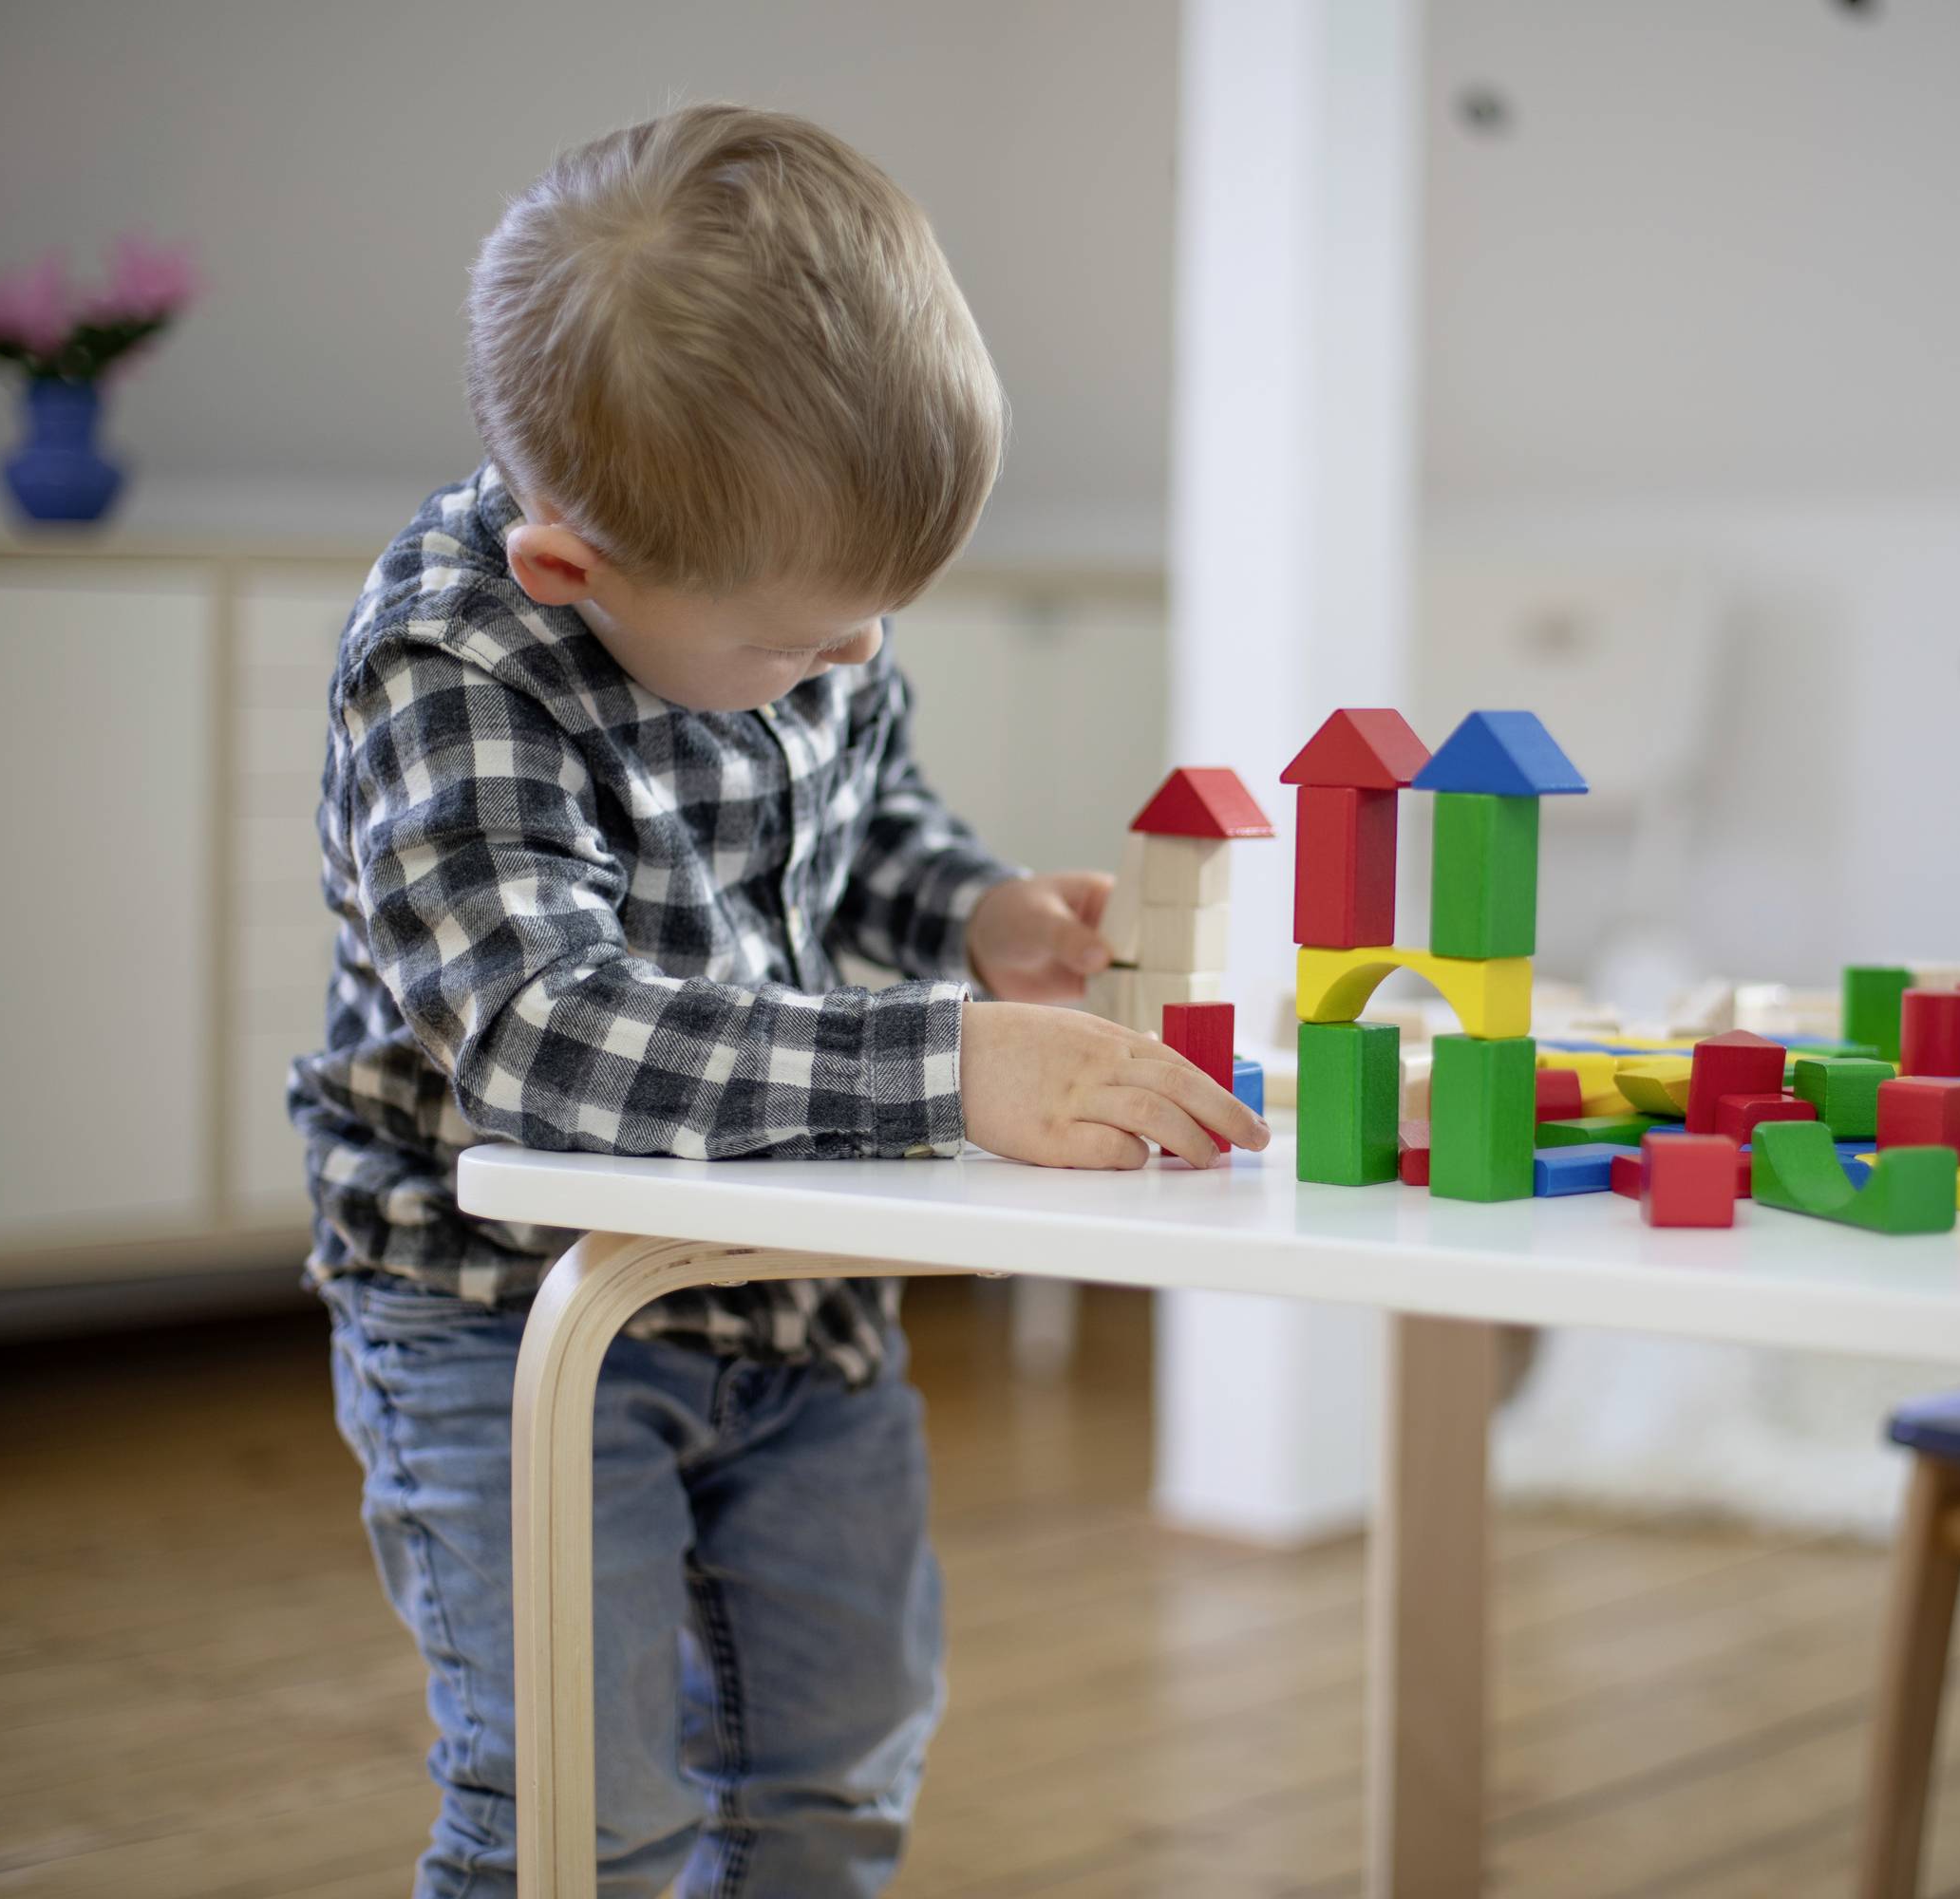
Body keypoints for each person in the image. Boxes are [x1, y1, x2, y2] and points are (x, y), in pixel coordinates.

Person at [288, 103, 1265, 1898]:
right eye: (805, 642)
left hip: (791, 1307)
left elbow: (850, 812)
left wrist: (971, 913)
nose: (853, 664)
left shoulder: (779, 604)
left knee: (835, 1779)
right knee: (585, 1819)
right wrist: (945, 1064)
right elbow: (539, 1038)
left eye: (877, 621)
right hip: (504, 1319)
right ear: (572, 571)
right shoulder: (448, 670)